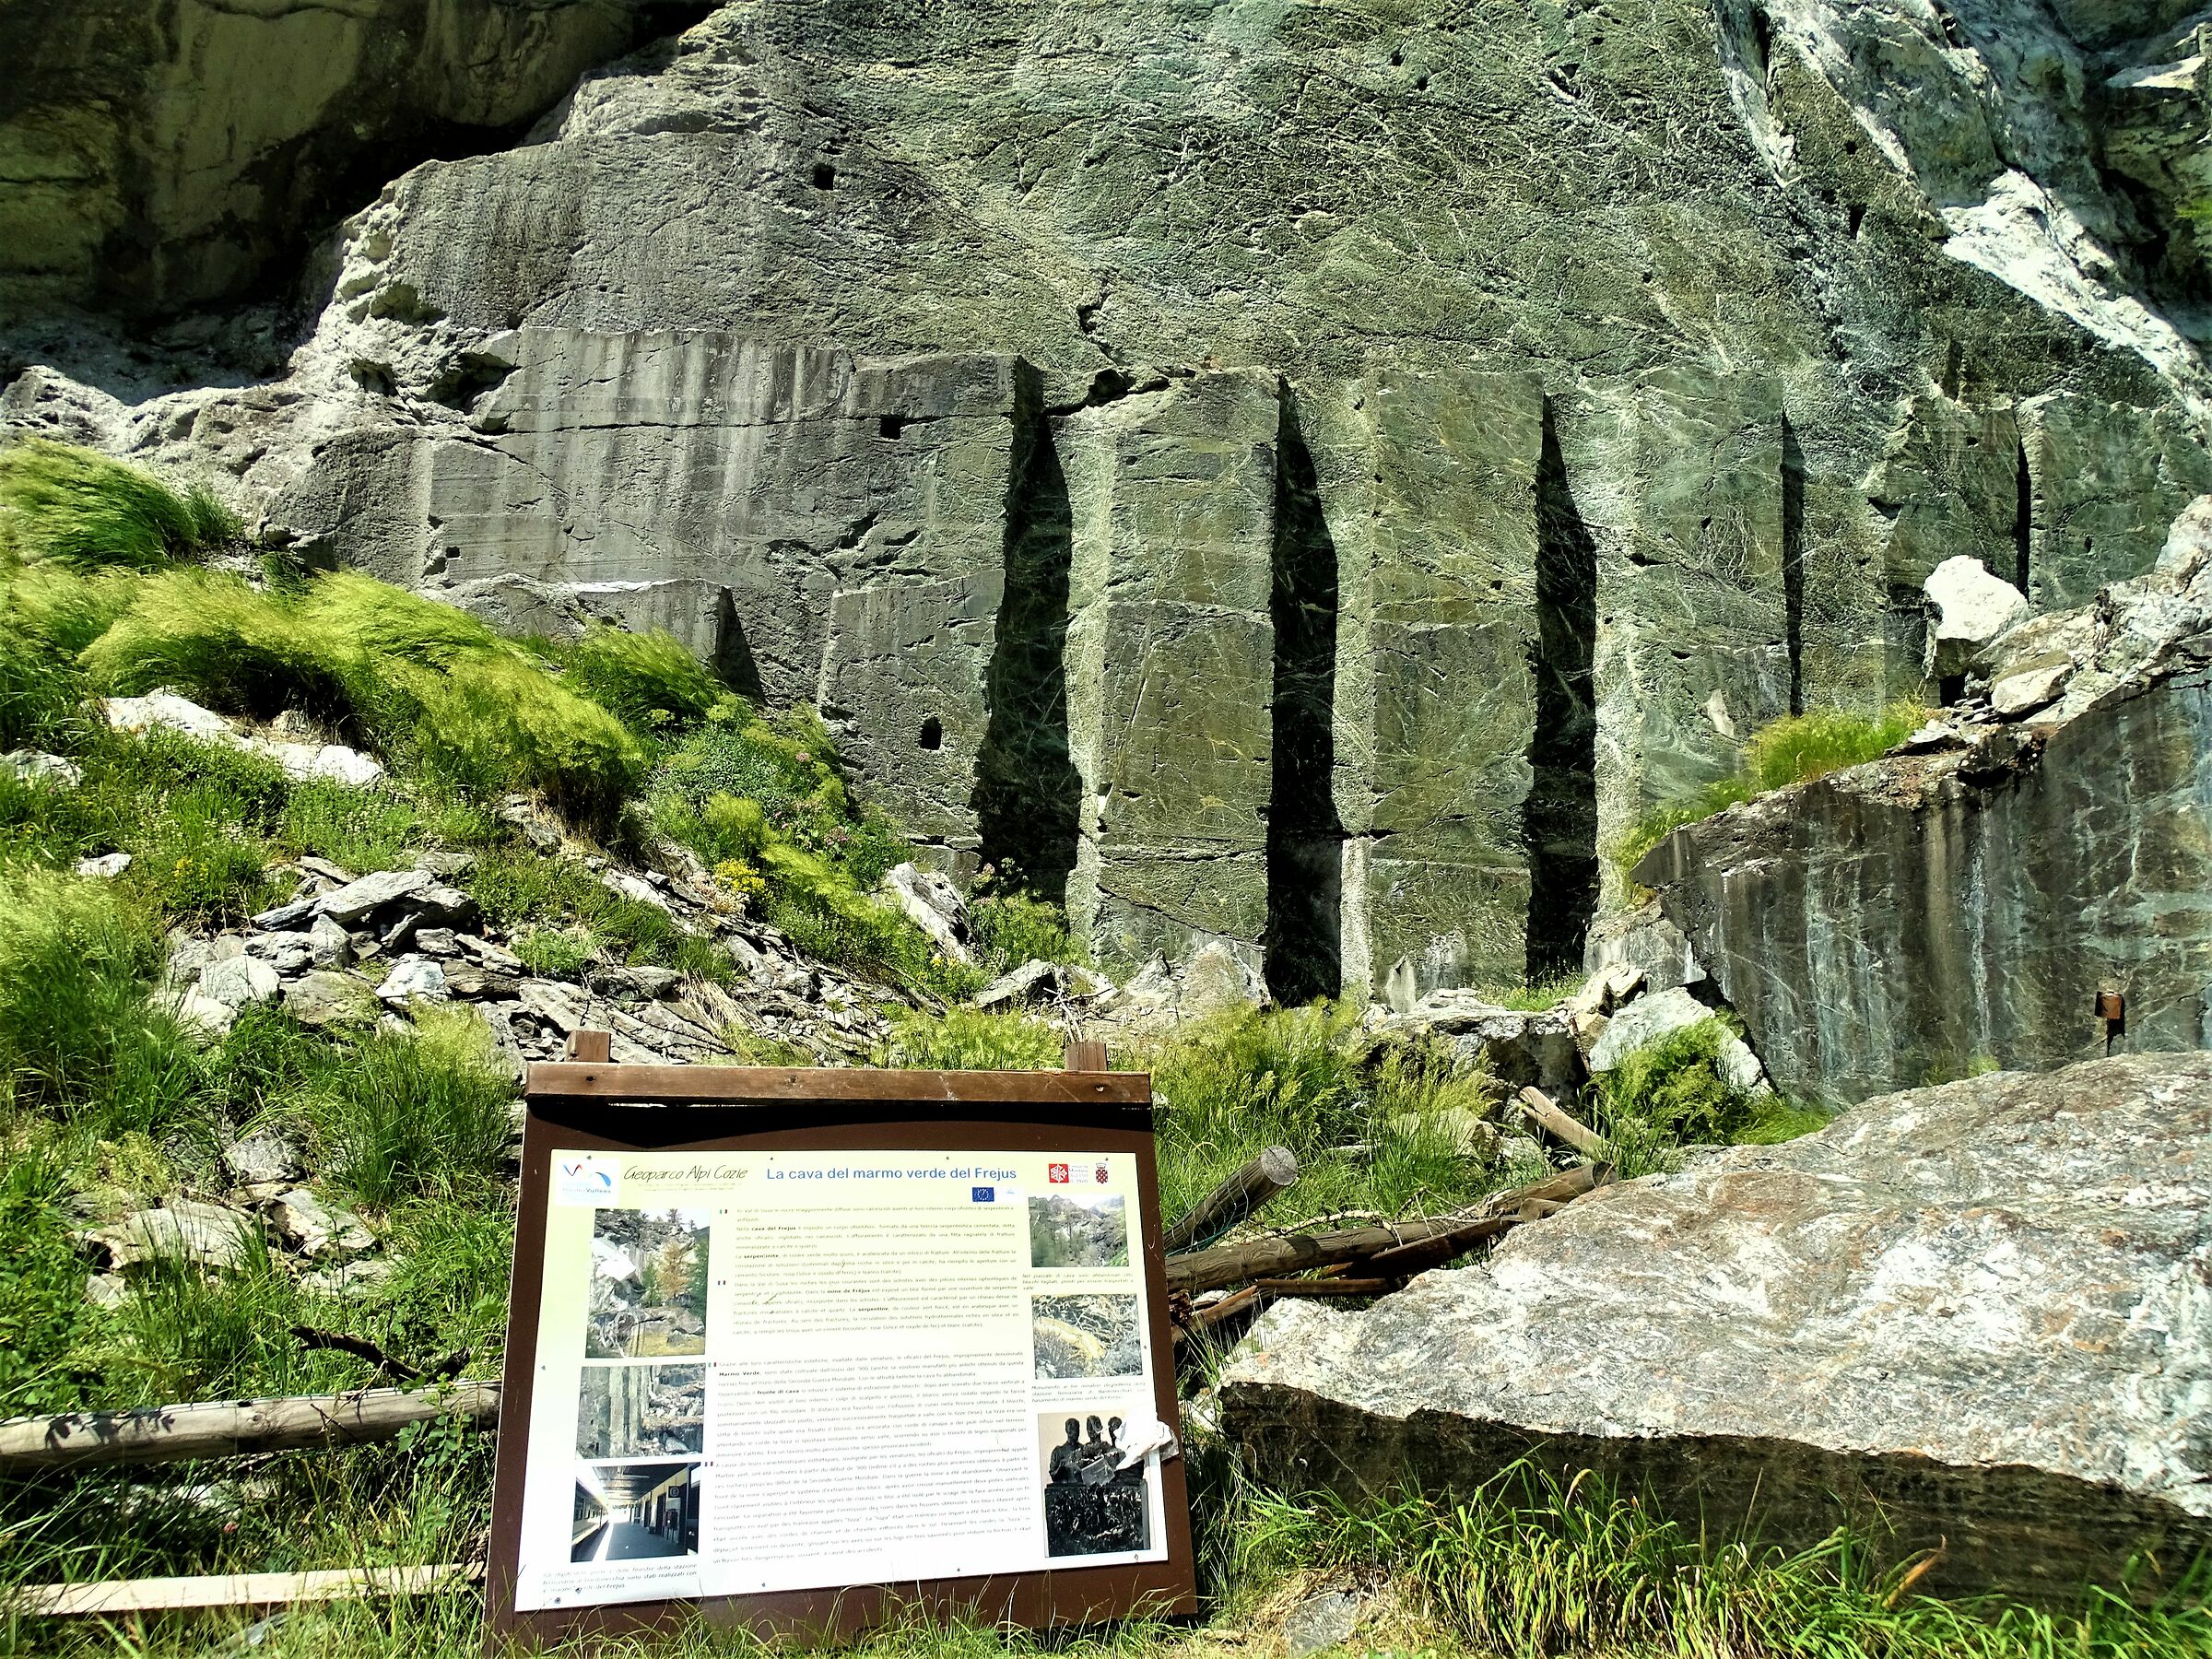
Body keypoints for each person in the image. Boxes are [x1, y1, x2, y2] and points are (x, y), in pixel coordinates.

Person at [1048, 1418, 1086, 1484]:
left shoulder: (1085, 1450)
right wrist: (1060, 1469)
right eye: (1071, 1429)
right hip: (1065, 1490)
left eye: (1076, 1429)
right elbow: (1053, 1476)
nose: (1074, 1432)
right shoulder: (1058, 1452)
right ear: (1067, 1430)